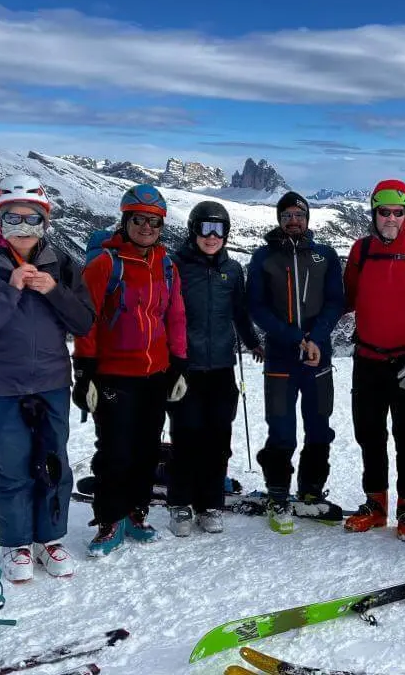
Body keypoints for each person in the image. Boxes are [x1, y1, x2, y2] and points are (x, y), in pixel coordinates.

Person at [0, 174, 94, 583]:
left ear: (45, 222)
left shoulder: (61, 264)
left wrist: (54, 291)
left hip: (51, 380)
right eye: (13, 220)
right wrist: (9, 291)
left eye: (33, 220)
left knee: (54, 462)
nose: (23, 229)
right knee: (12, 465)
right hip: (1, 385)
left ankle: (50, 538)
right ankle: (17, 543)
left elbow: (84, 322)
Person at [72, 183, 188, 557]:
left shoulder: (166, 266)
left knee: (146, 449)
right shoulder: (106, 264)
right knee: (114, 450)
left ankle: (136, 513)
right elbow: (86, 320)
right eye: (139, 220)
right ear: (125, 221)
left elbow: (175, 317)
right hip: (114, 374)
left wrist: (178, 364)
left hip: (155, 373)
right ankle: (109, 519)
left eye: (154, 223)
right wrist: (85, 371)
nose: (146, 228)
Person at [341, 180, 405, 542]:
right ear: (373, 213)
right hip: (367, 358)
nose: (390, 218)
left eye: (397, 212)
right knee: (368, 433)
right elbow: (348, 299)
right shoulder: (361, 250)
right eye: (383, 212)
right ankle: (376, 504)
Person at [247, 191, 345, 534]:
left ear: (307, 219)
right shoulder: (263, 258)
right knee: (282, 427)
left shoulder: (325, 256)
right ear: (279, 219)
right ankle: (277, 492)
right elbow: (257, 308)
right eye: (286, 215)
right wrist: (295, 337)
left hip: (318, 358)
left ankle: (310, 490)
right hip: (280, 357)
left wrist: (315, 338)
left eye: (298, 215)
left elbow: (335, 302)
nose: (293, 221)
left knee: (319, 426)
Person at [166, 200, 263, 536]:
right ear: (194, 230)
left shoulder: (233, 270)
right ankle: (180, 503)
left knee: (218, 437)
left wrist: (252, 342)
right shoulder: (176, 266)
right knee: (186, 434)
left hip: (222, 366)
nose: (211, 236)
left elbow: (239, 313)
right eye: (205, 228)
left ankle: (210, 504)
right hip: (185, 366)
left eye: (218, 229)